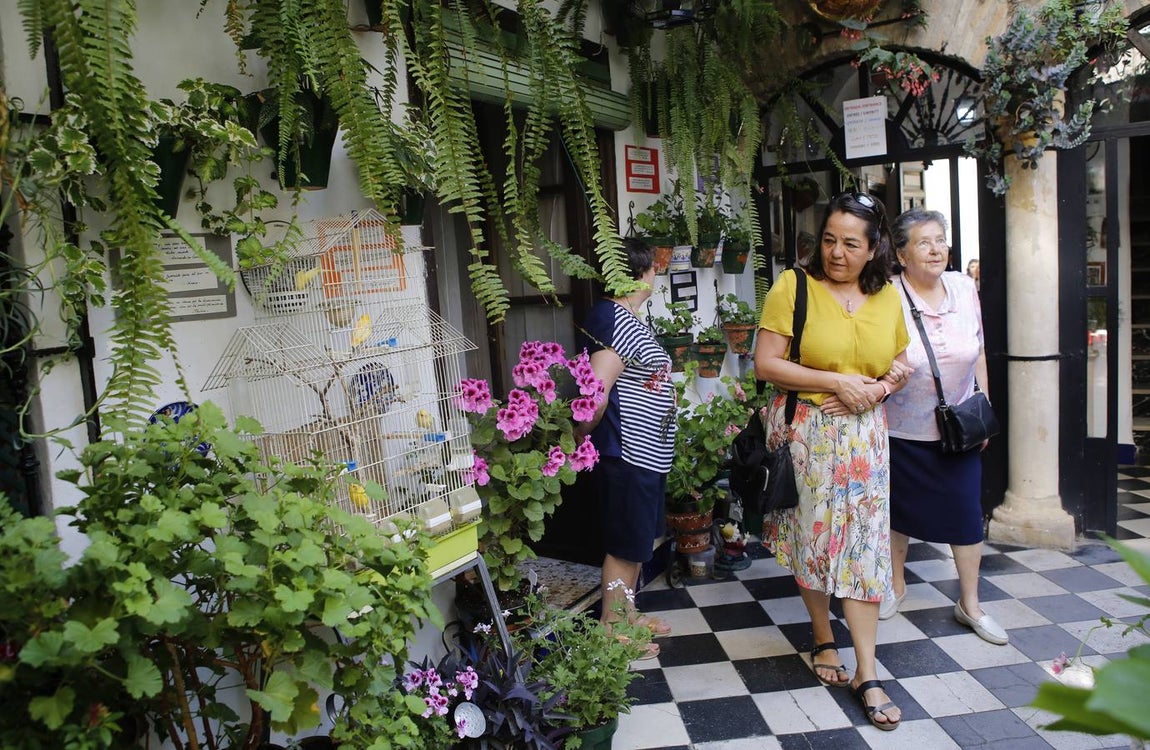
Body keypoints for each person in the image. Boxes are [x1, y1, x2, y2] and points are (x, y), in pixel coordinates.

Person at [755, 192, 911, 731]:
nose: (836, 253)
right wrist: (836, 381)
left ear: (873, 250)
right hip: (807, 434)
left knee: (865, 549)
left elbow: (900, 362)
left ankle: (868, 672)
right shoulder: (793, 286)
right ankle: (823, 634)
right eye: (828, 240)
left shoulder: (888, 294)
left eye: (850, 243)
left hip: (865, 437)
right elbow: (766, 362)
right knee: (815, 540)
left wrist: (876, 389)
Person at [879, 210, 1007, 645]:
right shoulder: (886, 294)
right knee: (898, 514)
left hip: (959, 427)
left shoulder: (963, 286)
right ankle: (895, 586)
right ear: (901, 254)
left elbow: (980, 352)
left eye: (940, 241)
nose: (936, 250)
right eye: (923, 242)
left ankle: (969, 603)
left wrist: (981, 406)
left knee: (966, 515)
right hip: (900, 427)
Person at [578, 237, 678, 658]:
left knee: (636, 539)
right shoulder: (614, 319)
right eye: (656, 265)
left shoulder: (625, 316)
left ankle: (628, 613)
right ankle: (611, 627)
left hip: (646, 454)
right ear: (645, 270)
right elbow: (596, 391)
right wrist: (581, 435)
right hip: (627, 452)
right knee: (624, 544)